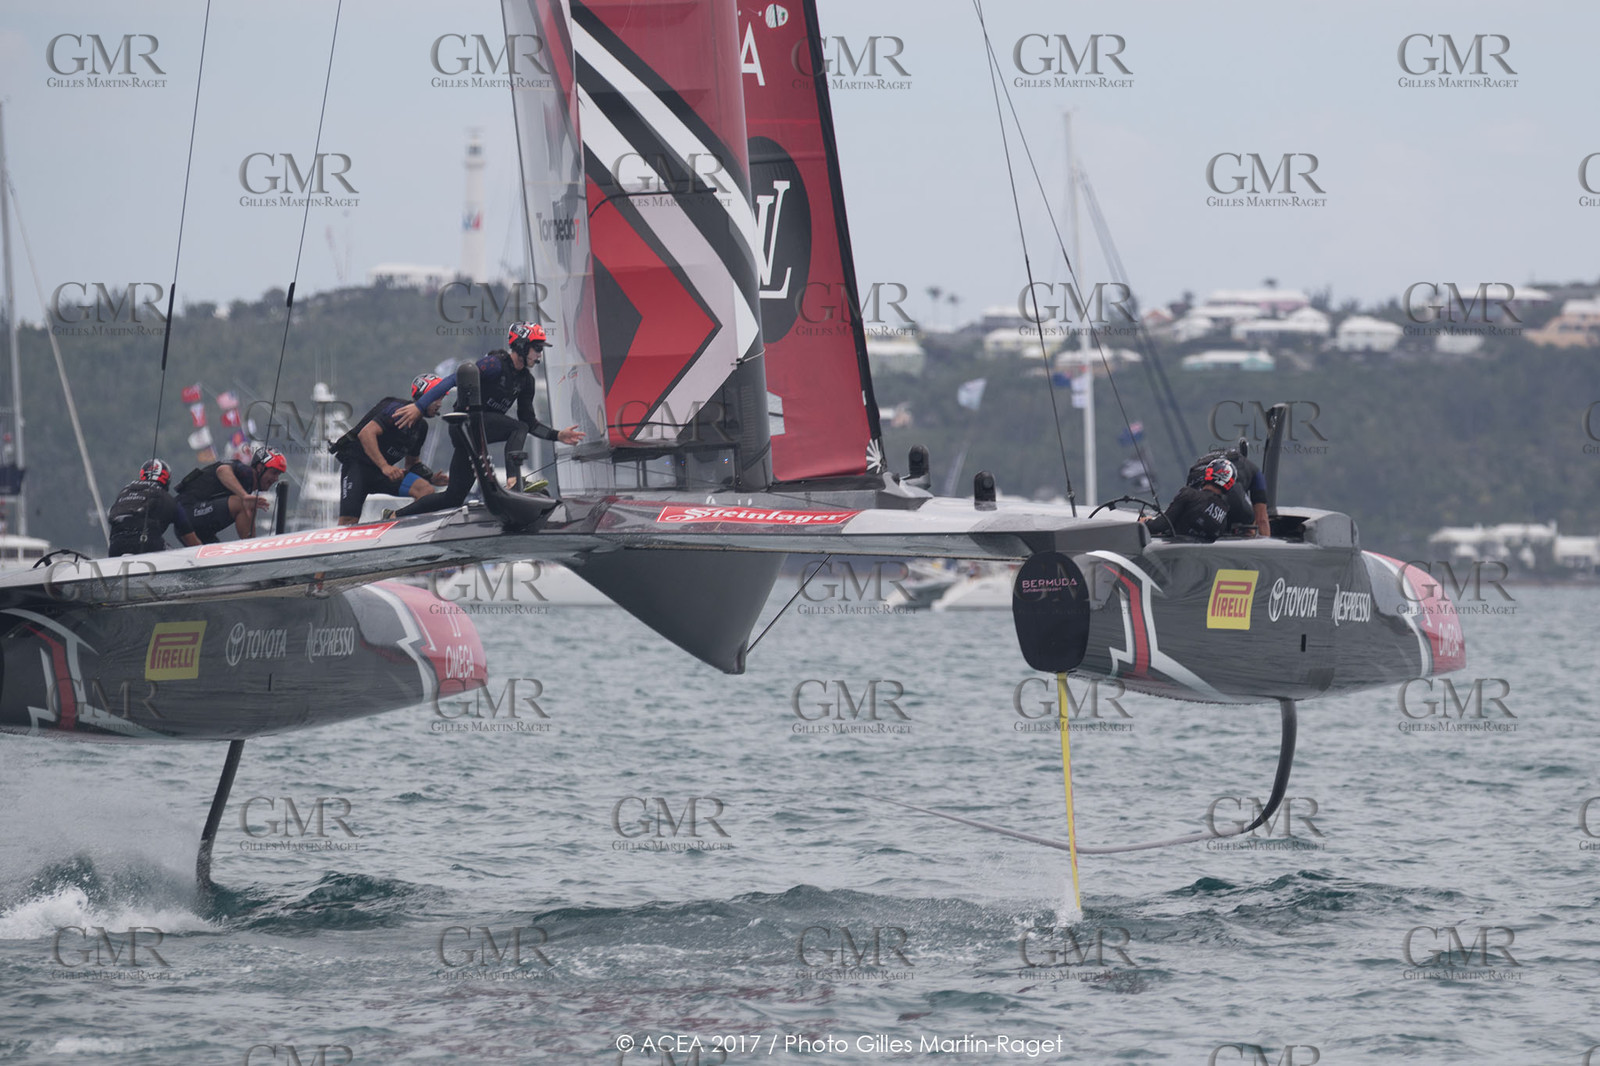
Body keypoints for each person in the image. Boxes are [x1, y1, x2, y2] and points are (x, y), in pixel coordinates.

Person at [389, 322, 583, 517]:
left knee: (453, 498)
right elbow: (452, 380)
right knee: (518, 427)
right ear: (522, 345)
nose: (540, 354)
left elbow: (530, 422)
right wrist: (419, 406)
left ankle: (395, 515)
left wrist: (558, 435)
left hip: (478, 433)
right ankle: (514, 482)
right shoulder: (495, 364)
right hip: (463, 427)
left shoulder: (526, 381)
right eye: (537, 348)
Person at [330, 373, 450, 526]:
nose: (439, 403)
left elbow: (412, 464)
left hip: (384, 475)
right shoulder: (397, 410)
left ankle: (395, 519)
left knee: (426, 491)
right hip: (358, 468)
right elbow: (366, 434)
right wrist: (384, 466)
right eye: (436, 398)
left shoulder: (421, 427)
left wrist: (431, 477)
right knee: (349, 521)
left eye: (441, 398)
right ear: (423, 396)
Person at [173, 446, 286, 543]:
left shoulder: (248, 487)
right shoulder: (247, 473)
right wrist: (244, 496)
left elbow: (249, 516)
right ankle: (251, 549)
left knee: (217, 566)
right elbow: (222, 470)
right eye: (274, 473)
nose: (276, 479)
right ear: (260, 468)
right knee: (243, 504)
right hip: (186, 514)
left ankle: (252, 550)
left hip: (194, 528)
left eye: (279, 474)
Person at [1142, 458, 1255, 543]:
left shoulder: (1189, 494)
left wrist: (1145, 523)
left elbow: (1161, 525)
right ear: (1229, 483)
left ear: (1208, 473)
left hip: (1172, 553)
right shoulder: (1224, 512)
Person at [107, 459, 202, 556]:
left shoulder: (124, 492)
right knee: (178, 556)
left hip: (116, 546)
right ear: (167, 479)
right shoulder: (170, 500)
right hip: (148, 545)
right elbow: (191, 541)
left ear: (142, 475)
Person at [1188, 440, 1270, 537]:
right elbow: (1262, 519)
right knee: (1249, 521)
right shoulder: (1255, 471)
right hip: (1229, 490)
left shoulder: (1207, 459)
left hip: (1195, 479)